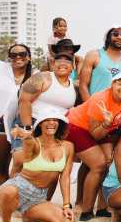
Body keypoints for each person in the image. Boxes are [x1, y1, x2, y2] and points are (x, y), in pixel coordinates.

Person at [66, 70, 121, 220]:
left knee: (110, 162)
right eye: (120, 83)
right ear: (112, 84)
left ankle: (102, 208)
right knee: (99, 164)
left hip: (104, 129)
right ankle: (86, 210)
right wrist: (107, 124)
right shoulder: (99, 99)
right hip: (76, 126)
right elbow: (95, 134)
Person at [0, 107, 75, 222]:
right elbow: (26, 148)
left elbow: (65, 177)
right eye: (47, 120)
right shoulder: (33, 143)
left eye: (55, 120)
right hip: (18, 189)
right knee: (8, 191)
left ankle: (29, 217)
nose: (51, 123)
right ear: (40, 124)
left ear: (60, 124)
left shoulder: (68, 146)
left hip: (38, 197)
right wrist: (25, 136)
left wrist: (66, 205)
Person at [11, 44, 77, 175]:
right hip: (31, 121)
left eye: (67, 61)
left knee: (49, 167)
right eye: (59, 60)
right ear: (53, 64)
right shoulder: (43, 77)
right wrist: (28, 128)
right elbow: (24, 101)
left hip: (54, 127)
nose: (62, 63)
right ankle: (12, 192)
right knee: (21, 161)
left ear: (73, 66)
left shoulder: (73, 87)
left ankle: (45, 196)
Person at [79, 26, 121, 100]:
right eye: (115, 34)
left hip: (118, 109)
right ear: (108, 37)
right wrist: (90, 106)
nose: (119, 37)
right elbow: (83, 85)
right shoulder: (94, 55)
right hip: (96, 106)